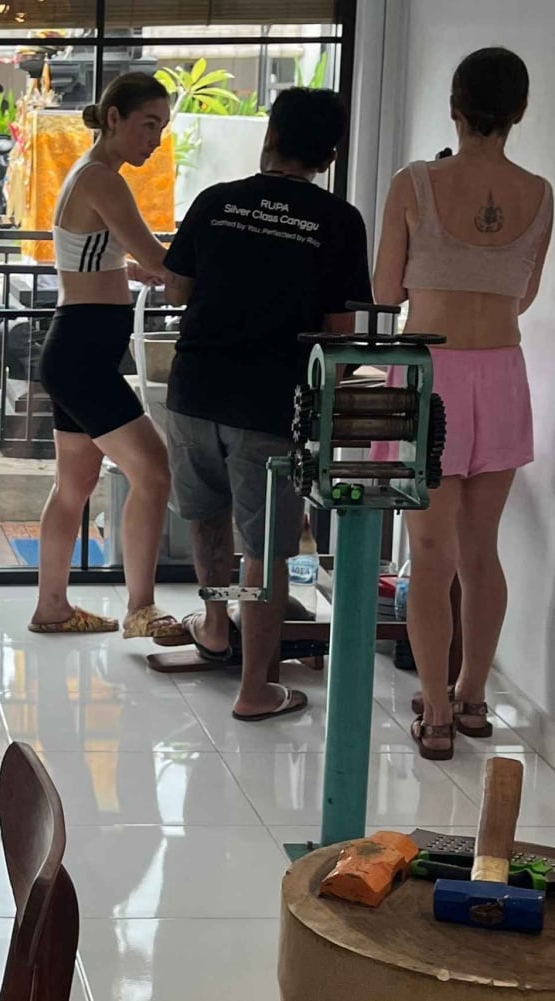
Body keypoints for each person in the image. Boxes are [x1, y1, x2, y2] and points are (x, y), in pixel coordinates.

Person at [162, 87, 370, 721]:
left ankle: (215, 626)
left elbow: (176, 289)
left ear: (270, 135)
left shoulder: (216, 201)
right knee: (265, 548)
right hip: (269, 405)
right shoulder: (339, 221)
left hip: (194, 389)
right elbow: (339, 334)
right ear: (328, 157)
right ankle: (254, 689)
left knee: (207, 518)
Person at [373, 47, 551, 759]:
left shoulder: (415, 182)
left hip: (429, 372)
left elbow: (385, 291)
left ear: (454, 104)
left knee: (430, 552)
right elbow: (524, 294)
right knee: (483, 550)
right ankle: (474, 698)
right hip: (502, 370)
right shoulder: (540, 193)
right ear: (520, 111)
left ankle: (437, 711)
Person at [30, 72, 182, 639]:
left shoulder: (88, 174)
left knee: (73, 487)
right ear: (114, 119)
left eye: (162, 129)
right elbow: (159, 257)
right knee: (155, 473)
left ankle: (52, 607)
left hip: (75, 349)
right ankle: (141, 608)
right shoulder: (102, 179)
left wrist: (134, 271)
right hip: (84, 356)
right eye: (148, 125)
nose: (155, 141)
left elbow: (97, 257)